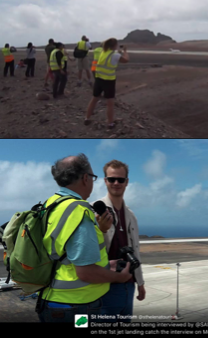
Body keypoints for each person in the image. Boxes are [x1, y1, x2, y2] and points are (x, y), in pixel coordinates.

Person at [37, 153, 132, 323]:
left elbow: (63, 253)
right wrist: (120, 277)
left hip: (51, 299)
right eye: (93, 177)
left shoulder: (51, 203)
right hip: (74, 305)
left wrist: (104, 265)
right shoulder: (78, 212)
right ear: (85, 178)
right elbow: (86, 272)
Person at [96, 160, 146, 322]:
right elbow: (86, 252)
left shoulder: (131, 216)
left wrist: (140, 282)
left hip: (128, 285)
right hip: (103, 286)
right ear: (105, 181)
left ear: (127, 182)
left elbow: (135, 251)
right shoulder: (93, 210)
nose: (116, 183)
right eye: (111, 179)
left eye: (120, 179)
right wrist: (101, 230)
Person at [85, 39, 129, 129]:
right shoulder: (115, 55)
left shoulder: (102, 52)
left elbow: (111, 57)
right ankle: (110, 123)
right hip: (109, 81)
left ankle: (87, 118)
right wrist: (125, 51)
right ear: (114, 46)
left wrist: (118, 52)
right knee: (110, 103)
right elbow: (126, 60)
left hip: (99, 79)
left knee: (94, 99)